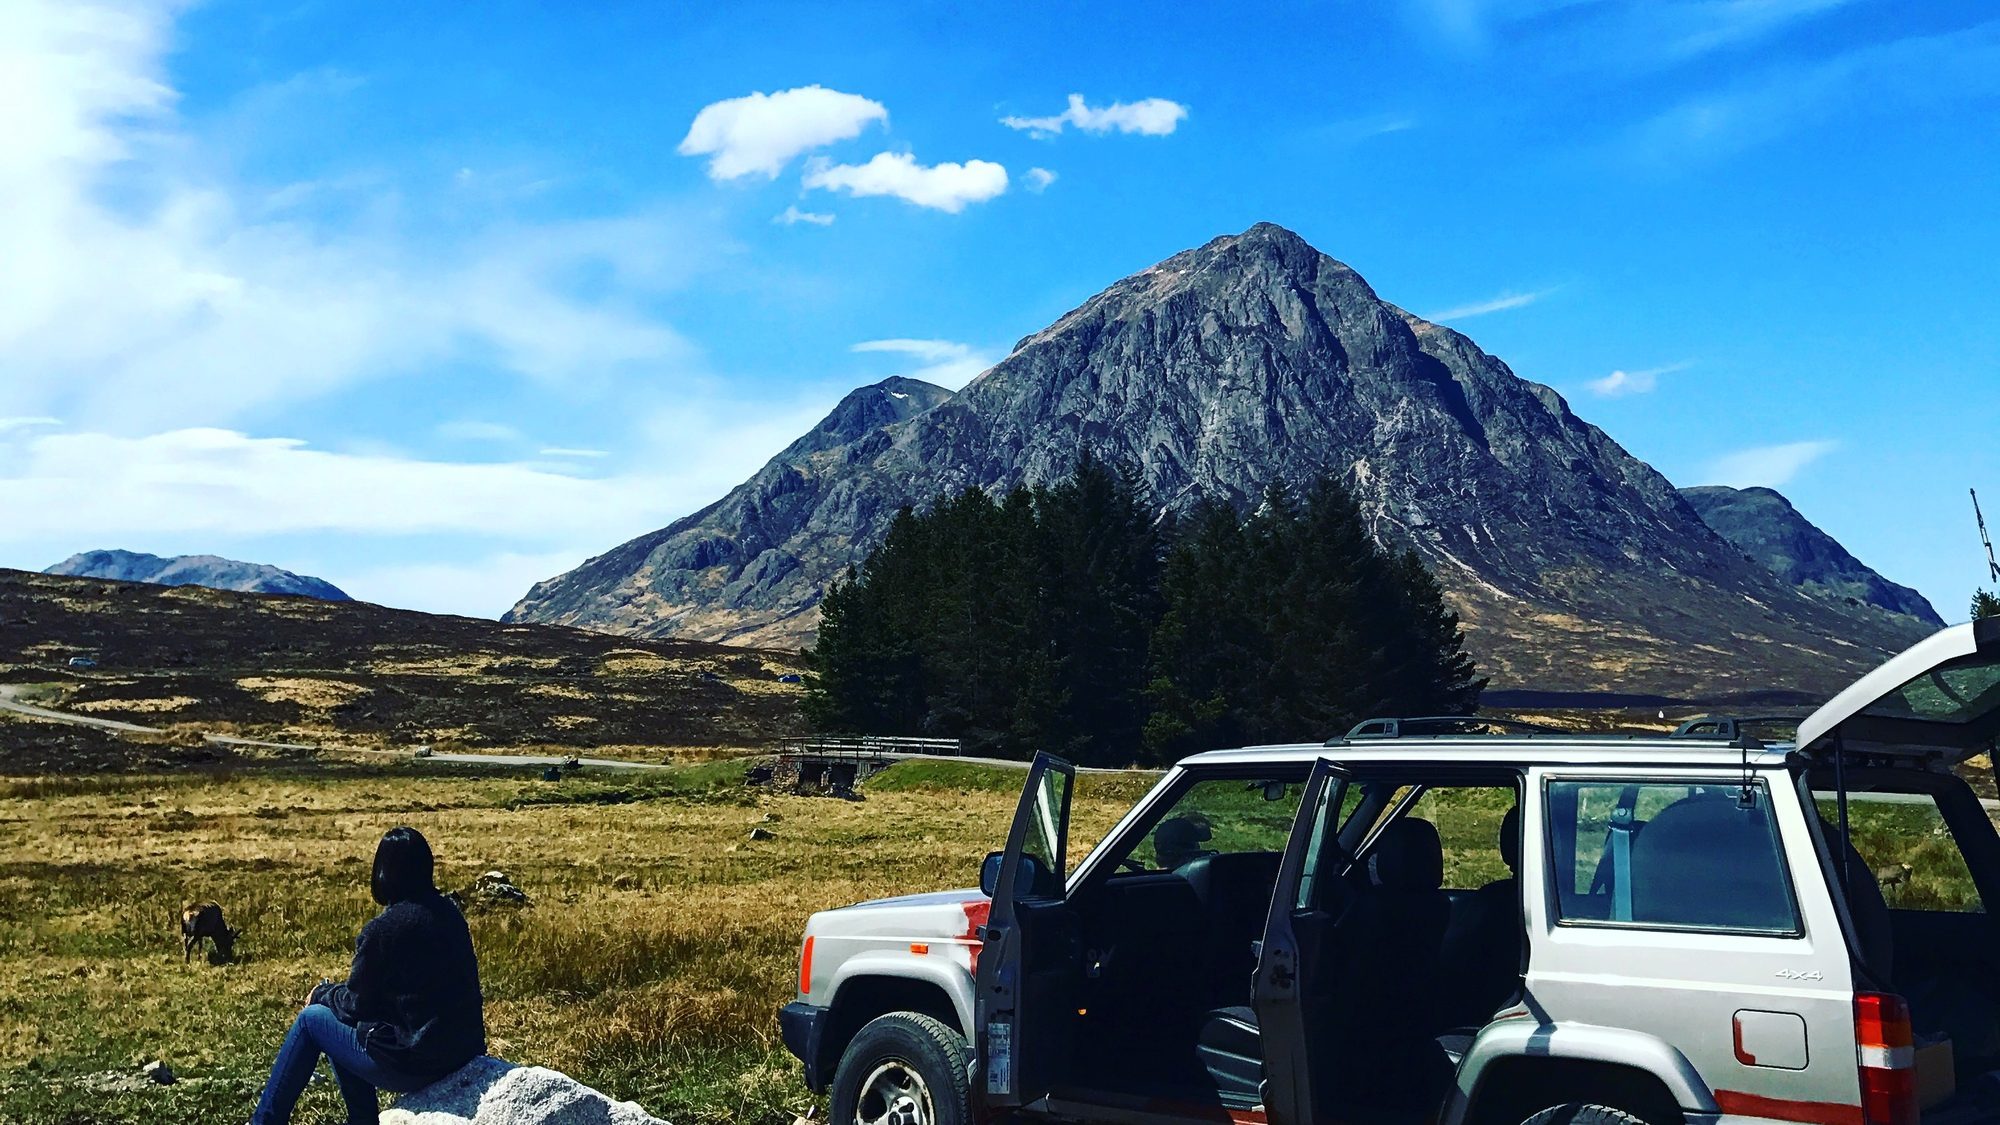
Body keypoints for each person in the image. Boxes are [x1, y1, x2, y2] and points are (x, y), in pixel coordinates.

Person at [252, 827, 486, 1125]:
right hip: (461, 1052)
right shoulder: (449, 913)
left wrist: (323, 993)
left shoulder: (384, 930)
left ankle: (265, 1121)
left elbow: (356, 1005)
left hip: (417, 1063)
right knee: (338, 1014)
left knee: (312, 1019)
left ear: (383, 872)